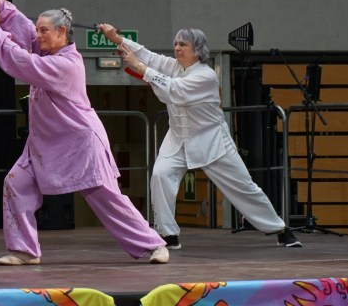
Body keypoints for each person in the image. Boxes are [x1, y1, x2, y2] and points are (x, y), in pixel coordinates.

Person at [0, 0, 169, 266]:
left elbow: (22, 61)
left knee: (107, 198)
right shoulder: (47, 51)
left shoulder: (66, 64)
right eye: (38, 29)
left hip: (80, 142)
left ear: (62, 32)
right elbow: (26, 34)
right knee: (16, 183)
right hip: (44, 142)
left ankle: (154, 244)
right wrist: (2, 6)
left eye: (44, 30)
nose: (38, 35)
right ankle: (25, 250)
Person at [98, 24, 302, 250]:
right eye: (176, 43)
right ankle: (168, 234)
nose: (177, 48)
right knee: (160, 175)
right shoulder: (174, 66)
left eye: (183, 44)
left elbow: (174, 90)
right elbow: (150, 56)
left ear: (197, 50)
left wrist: (140, 67)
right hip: (177, 139)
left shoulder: (206, 76)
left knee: (243, 187)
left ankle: (280, 229)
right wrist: (116, 39)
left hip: (211, 141)